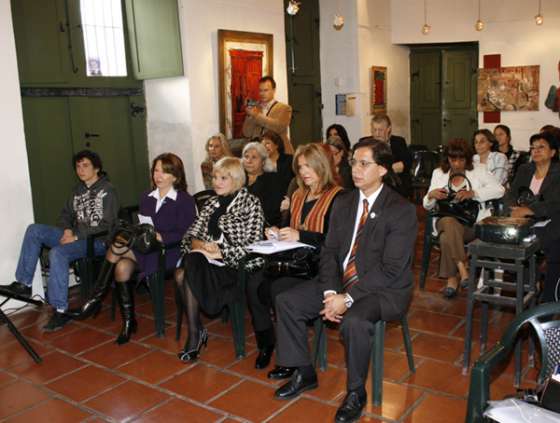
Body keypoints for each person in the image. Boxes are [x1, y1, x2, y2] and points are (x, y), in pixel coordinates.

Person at [270, 140, 417, 423]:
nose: (356, 170)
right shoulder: (346, 202)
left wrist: (347, 299)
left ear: (382, 169)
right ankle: (304, 371)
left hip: (383, 289)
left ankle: (355, 393)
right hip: (340, 281)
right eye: (353, 163)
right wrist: (329, 290)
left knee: (355, 321)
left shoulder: (400, 210)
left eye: (364, 164)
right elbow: (330, 251)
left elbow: (391, 269)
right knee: (287, 301)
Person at [75, 153, 196, 344]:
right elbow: (143, 226)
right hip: (144, 248)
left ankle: (95, 297)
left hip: (169, 251)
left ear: (175, 176)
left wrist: (162, 236)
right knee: (121, 266)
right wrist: (145, 233)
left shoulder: (184, 200)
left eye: (165, 171)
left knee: (118, 245)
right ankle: (129, 322)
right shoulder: (146, 197)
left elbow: (188, 233)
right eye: (156, 170)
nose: (159, 175)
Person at [246, 143, 343, 371]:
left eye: (309, 166)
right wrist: (276, 231)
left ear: (322, 165)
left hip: (319, 266)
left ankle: (290, 357)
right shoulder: (299, 194)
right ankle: (266, 343)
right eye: (300, 167)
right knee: (253, 283)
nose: (304, 172)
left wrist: (302, 235)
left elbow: (336, 241)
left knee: (279, 290)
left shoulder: (339, 197)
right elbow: (288, 226)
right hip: (293, 260)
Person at [5, 150, 119, 331]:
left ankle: (60, 311)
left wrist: (76, 236)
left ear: (96, 168)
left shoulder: (108, 190)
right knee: (34, 230)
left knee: (58, 252)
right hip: (75, 236)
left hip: (96, 242)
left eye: (86, 165)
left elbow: (107, 225)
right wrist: (67, 229)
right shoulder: (77, 190)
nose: (80, 170)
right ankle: (24, 283)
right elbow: (65, 215)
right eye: (78, 166)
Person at [176, 157, 264, 362]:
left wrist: (221, 252)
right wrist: (200, 246)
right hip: (206, 262)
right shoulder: (211, 203)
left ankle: (196, 333)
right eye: (215, 177)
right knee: (188, 264)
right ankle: (196, 332)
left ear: (236, 179)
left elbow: (253, 245)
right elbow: (189, 235)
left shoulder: (251, 203)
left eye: (223, 178)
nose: (216, 182)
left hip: (235, 266)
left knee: (182, 274)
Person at [423, 139, 504, 298]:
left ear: (467, 159)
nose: (457, 164)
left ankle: (452, 279)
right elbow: (427, 205)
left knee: (446, 237)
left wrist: (474, 193)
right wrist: (431, 195)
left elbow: (499, 190)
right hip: (444, 220)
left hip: (471, 224)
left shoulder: (479, 170)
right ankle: (463, 267)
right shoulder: (439, 173)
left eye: (461, 159)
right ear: (448, 159)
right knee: (447, 221)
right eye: (453, 159)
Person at [504, 132, 560, 303]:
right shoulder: (525, 169)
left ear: (553, 152)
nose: (535, 151)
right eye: (533, 148)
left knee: (554, 246)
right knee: (518, 240)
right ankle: (529, 289)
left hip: (552, 221)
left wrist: (530, 210)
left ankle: (549, 298)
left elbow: (555, 203)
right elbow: (511, 194)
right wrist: (514, 207)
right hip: (525, 222)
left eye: (541, 147)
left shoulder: (558, 173)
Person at [360, 114, 413, 198]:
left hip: (395, 187)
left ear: (389, 129)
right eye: (374, 130)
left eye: (380, 130)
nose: (377, 134)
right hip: (372, 187)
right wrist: (390, 169)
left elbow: (405, 165)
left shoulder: (399, 142)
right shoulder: (365, 143)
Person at [242, 76, 294, 154]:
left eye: (265, 90)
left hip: (279, 154)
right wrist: (250, 115)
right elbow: (246, 133)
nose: (262, 93)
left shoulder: (285, 108)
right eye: (260, 90)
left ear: (274, 90)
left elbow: (278, 127)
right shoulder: (255, 107)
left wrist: (256, 115)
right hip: (259, 154)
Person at [243, 141, 285, 226]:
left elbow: (272, 212)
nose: (249, 161)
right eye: (246, 157)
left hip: (264, 226)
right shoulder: (238, 179)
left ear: (263, 161)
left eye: (254, 157)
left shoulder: (273, 179)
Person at [261, 130, 294, 195]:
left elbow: (294, 181)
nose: (264, 147)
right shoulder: (261, 164)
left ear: (276, 145)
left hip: (287, 197)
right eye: (262, 145)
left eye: (267, 143)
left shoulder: (289, 159)